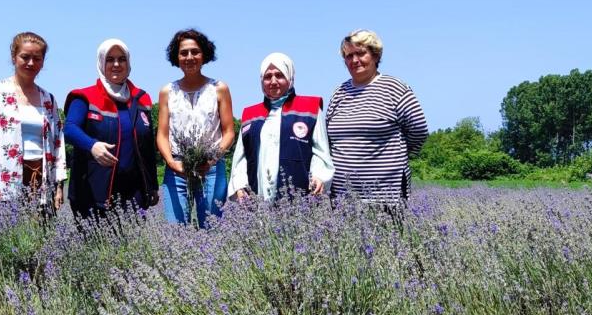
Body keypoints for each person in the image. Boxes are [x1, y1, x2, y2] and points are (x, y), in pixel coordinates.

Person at [325, 29, 428, 205]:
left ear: (375, 55)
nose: (354, 60)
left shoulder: (395, 88)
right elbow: (328, 138)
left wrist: (394, 157)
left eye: (360, 53)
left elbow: (418, 131)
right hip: (342, 198)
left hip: (385, 196)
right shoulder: (339, 93)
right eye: (349, 56)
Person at [0, 32, 66, 219]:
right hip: (2, 181)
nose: (31, 63)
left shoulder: (48, 99)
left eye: (36, 58)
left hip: (41, 181)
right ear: (14, 57)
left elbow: (58, 144)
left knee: (39, 242)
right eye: (25, 57)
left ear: (43, 62)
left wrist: (59, 186)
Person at [63, 38, 159, 220]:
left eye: (121, 59)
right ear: (101, 62)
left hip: (134, 194)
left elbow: (147, 148)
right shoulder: (84, 96)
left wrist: (152, 185)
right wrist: (92, 145)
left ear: (128, 63)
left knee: (133, 247)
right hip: (93, 191)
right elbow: (69, 129)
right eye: (110, 59)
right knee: (94, 247)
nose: (116, 64)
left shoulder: (142, 100)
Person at [228, 52, 334, 201]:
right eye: (267, 76)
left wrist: (319, 176)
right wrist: (239, 186)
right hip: (258, 199)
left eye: (279, 75)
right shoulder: (251, 115)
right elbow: (241, 157)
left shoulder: (310, 109)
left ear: (290, 77)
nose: (273, 81)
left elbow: (321, 152)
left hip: (300, 201)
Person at [156, 29, 235, 226]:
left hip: (211, 168)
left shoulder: (219, 88)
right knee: (175, 231)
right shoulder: (167, 92)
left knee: (211, 229)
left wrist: (211, 158)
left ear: (204, 54)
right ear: (176, 56)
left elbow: (229, 132)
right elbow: (162, 135)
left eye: (195, 52)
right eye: (184, 53)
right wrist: (171, 162)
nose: (189, 57)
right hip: (176, 168)